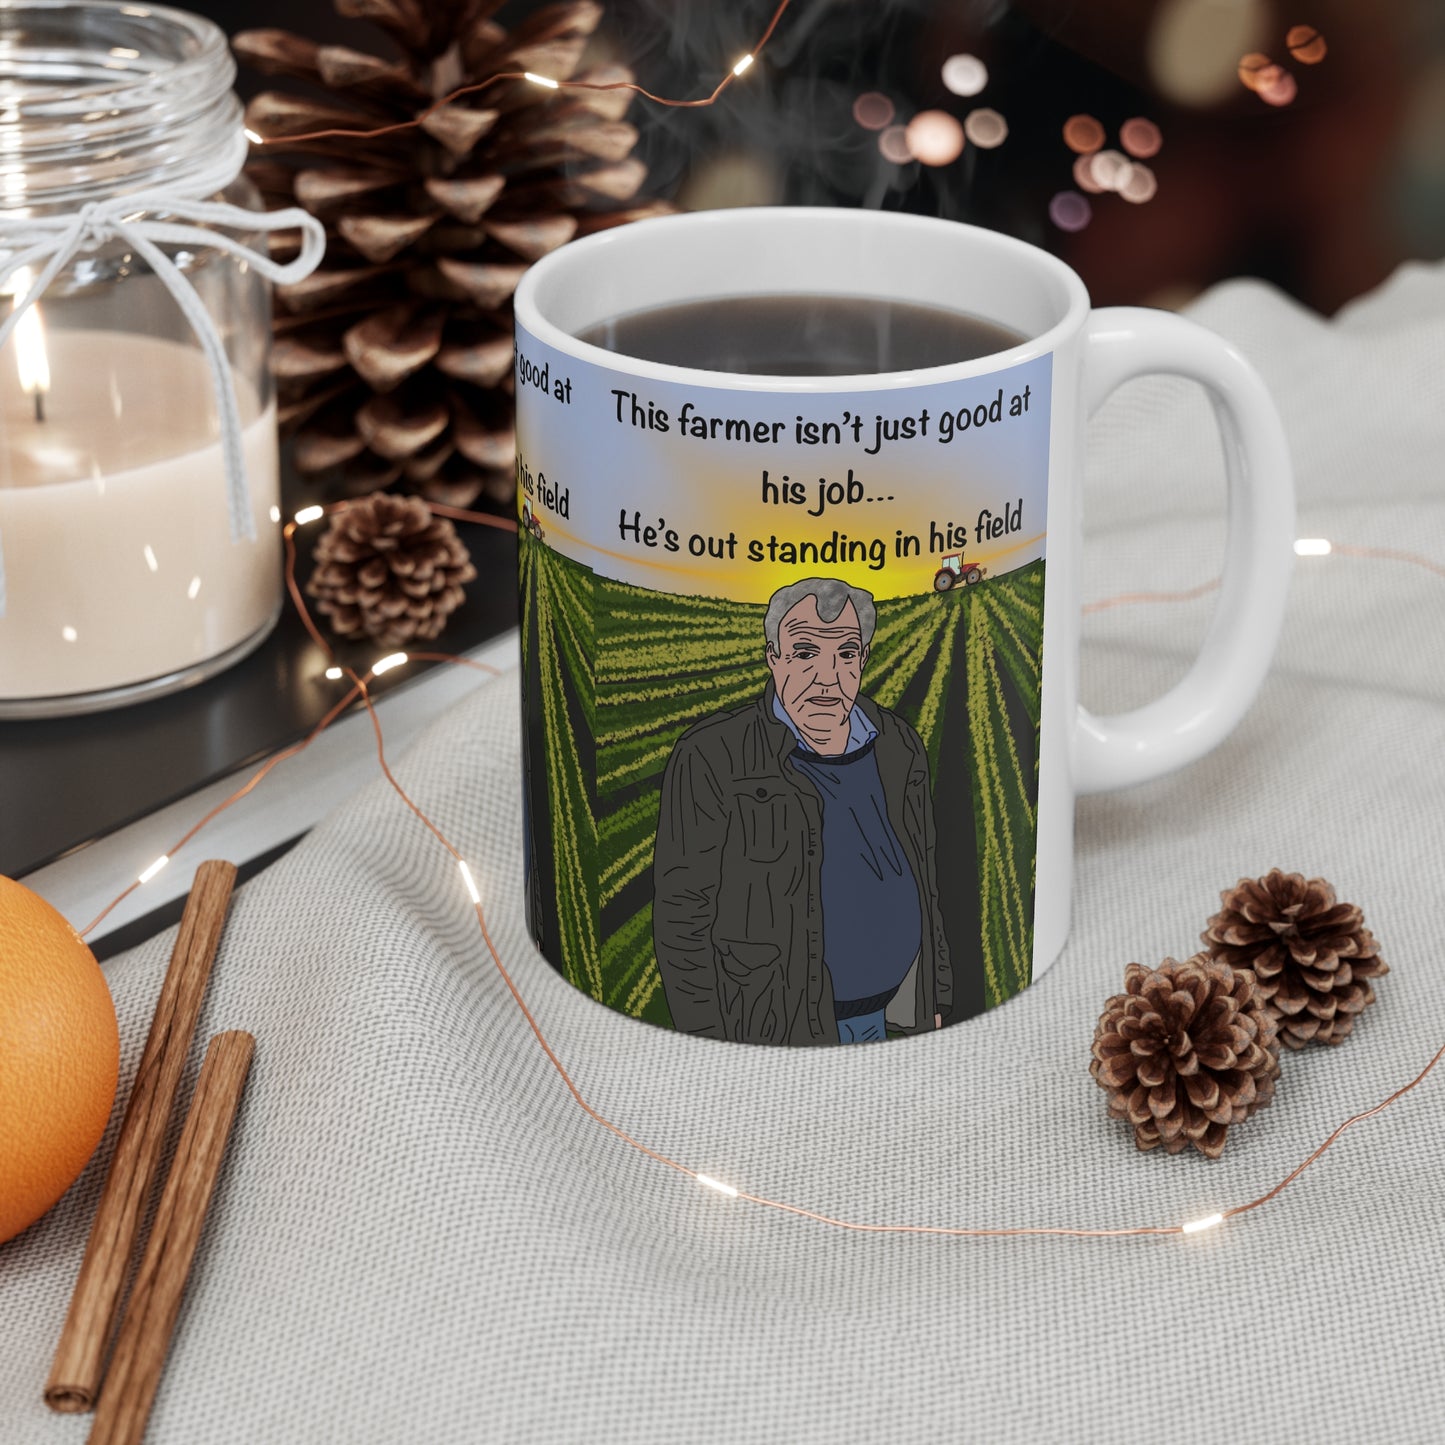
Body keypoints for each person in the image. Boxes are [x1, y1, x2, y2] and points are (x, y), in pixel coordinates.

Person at [652, 578, 951, 1045]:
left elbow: (927, 877)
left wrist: (934, 996)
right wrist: (705, 1039)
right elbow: (682, 915)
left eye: (846, 654)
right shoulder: (714, 755)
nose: (828, 677)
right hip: (781, 1025)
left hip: (889, 1015)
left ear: (864, 659)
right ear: (773, 657)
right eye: (806, 652)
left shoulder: (898, 744)